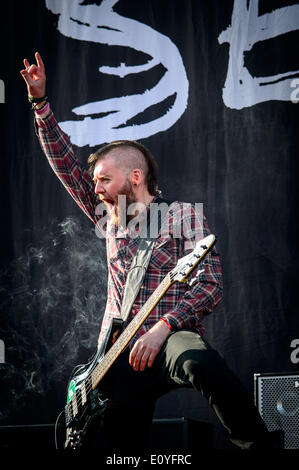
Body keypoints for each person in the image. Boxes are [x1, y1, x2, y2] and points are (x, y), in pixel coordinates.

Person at [21, 52, 279, 451]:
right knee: (124, 448)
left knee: (202, 364)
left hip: (168, 334)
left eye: (105, 179)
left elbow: (209, 286)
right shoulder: (110, 218)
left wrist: (163, 329)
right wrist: (40, 105)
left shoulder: (181, 216)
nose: (96, 188)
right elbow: (66, 164)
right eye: (95, 182)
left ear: (135, 177)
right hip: (116, 353)